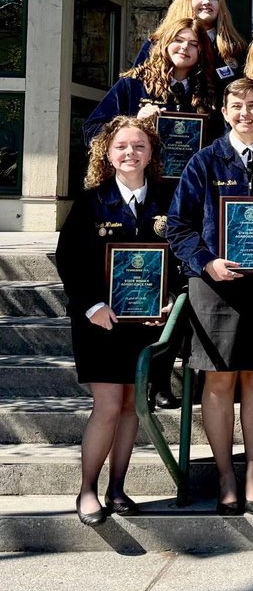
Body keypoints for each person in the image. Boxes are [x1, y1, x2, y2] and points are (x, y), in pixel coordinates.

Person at [165, 78, 253, 516]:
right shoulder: (203, 163)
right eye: (236, 106)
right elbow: (178, 226)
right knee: (220, 380)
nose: (245, 113)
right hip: (215, 287)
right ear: (224, 112)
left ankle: (252, 474)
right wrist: (206, 261)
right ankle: (226, 475)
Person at [56, 116, 177, 526]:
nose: (131, 153)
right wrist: (91, 305)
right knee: (108, 406)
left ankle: (118, 487)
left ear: (151, 154)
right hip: (100, 323)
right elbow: (69, 260)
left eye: (139, 146)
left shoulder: (168, 199)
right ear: (107, 153)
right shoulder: (91, 202)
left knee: (132, 407)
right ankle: (87, 489)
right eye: (122, 146)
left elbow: (178, 258)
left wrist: (169, 301)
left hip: (147, 324)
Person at [83, 17, 219, 146]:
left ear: (201, 52)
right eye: (178, 40)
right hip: (139, 169)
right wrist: (134, 122)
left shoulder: (208, 91)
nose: (184, 47)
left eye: (193, 44)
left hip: (190, 170)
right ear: (165, 44)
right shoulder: (133, 84)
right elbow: (91, 130)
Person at [135, 0, 246, 90]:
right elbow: (136, 85)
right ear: (186, 0)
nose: (207, 2)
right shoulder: (157, 44)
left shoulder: (235, 48)